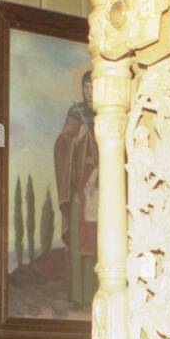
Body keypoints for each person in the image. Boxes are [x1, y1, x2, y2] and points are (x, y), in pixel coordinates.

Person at [54, 69, 98, 307]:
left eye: (93, 87)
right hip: (80, 181)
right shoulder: (76, 113)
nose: (89, 93)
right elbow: (62, 143)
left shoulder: (110, 111)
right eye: (86, 88)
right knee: (81, 236)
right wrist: (77, 139)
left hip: (103, 183)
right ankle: (80, 296)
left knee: (100, 239)